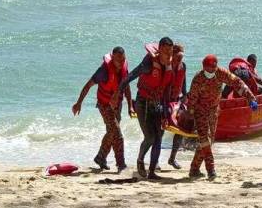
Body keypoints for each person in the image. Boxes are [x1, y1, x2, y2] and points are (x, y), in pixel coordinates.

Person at [187, 54, 258, 179]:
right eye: (206, 69)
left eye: (211, 70)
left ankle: (194, 168)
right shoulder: (198, 78)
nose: (208, 72)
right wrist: (190, 113)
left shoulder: (221, 73)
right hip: (200, 111)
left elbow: (237, 83)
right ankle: (211, 169)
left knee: (209, 141)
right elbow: (192, 98)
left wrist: (250, 97)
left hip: (214, 110)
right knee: (204, 139)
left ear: (215, 67)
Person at [114, 37, 174, 180]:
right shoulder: (149, 63)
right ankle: (140, 161)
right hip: (142, 103)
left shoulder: (170, 66)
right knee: (150, 137)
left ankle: (152, 171)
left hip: (158, 104)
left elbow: (166, 92)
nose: (168, 54)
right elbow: (130, 76)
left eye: (170, 51)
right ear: (159, 50)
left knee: (159, 138)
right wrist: (118, 93)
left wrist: (167, 113)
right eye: (165, 51)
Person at [72, 46, 134, 173]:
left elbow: (126, 86)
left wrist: (130, 105)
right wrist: (79, 103)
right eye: (118, 60)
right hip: (105, 105)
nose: (121, 63)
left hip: (117, 104)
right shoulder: (104, 71)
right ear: (112, 59)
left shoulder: (124, 68)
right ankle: (121, 165)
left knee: (111, 132)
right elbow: (88, 85)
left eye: (123, 60)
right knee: (117, 134)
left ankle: (100, 157)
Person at [167, 43, 188, 169]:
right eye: (178, 57)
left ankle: (172, 158)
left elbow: (183, 82)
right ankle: (155, 161)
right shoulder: (167, 66)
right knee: (158, 132)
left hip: (176, 100)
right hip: (164, 101)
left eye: (181, 58)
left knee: (180, 129)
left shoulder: (183, 66)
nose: (180, 60)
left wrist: (185, 95)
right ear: (173, 55)